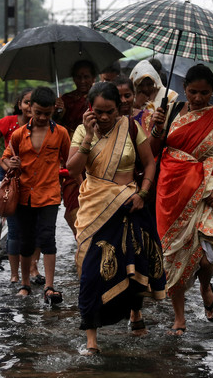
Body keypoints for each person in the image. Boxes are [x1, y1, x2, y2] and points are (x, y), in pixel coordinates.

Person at [66, 82, 166, 354]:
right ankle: (91, 339)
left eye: (110, 111)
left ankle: (135, 313)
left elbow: (148, 163)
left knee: (132, 266)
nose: (105, 117)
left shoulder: (131, 128)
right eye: (98, 111)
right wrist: (88, 136)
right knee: (90, 272)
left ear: (118, 109)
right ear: (90, 109)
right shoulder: (80, 132)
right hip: (95, 208)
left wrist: (143, 193)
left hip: (129, 206)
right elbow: (71, 167)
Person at [150, 64, 213, 334]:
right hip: (170, 192)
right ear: (184, 89)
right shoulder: (172, 112)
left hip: (206, 192)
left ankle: (204, 287)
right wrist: (156, 127)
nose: (198, 98)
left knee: (204, 258)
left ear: (212, 91)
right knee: (173, 256)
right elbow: (154, 151)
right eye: (192, 92)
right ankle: (179, 318)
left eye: (204, 92)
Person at [2, 86, 71, 301]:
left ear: (53, 111)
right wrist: (10, 163)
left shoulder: (60, 133)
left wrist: (70, 178)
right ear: (29, 108)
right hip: (24, 194)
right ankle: (25, 284)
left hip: (49, 193)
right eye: (37, 112)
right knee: (26, 241)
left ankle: (49, 286)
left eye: (47, 114)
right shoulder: (18, 134)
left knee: (48, 238)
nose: (41, 117)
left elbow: (69, 161)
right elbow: (6, 157)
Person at [0, 89, 44, 285]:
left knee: (37, 227)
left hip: (36, 178)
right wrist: (3, 164)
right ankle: (14, 273)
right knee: (15, 228)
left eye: (33, 103)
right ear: (19, 104)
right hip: (11, 179)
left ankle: (33, 267)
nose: (29, 107)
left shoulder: (43, 124)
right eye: (26, 102)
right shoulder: (9, 122)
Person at [55, 60, 97, 235]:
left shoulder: (99, 99)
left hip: (96, 153)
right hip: (71, 154)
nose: (82, 81)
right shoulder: (65, 100)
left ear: (93, 78)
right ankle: (81, 238)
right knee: (73, 203)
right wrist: (59, 113)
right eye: (78, 77)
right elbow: (56, 128)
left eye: (86, 77)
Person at [129, 60, 178, 134]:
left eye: (149, 84)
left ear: (155, 82)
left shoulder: (167, 95)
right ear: (135, 85)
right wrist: (136, 105)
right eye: (141, 85)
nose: (146, 88)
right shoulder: (129, 98)